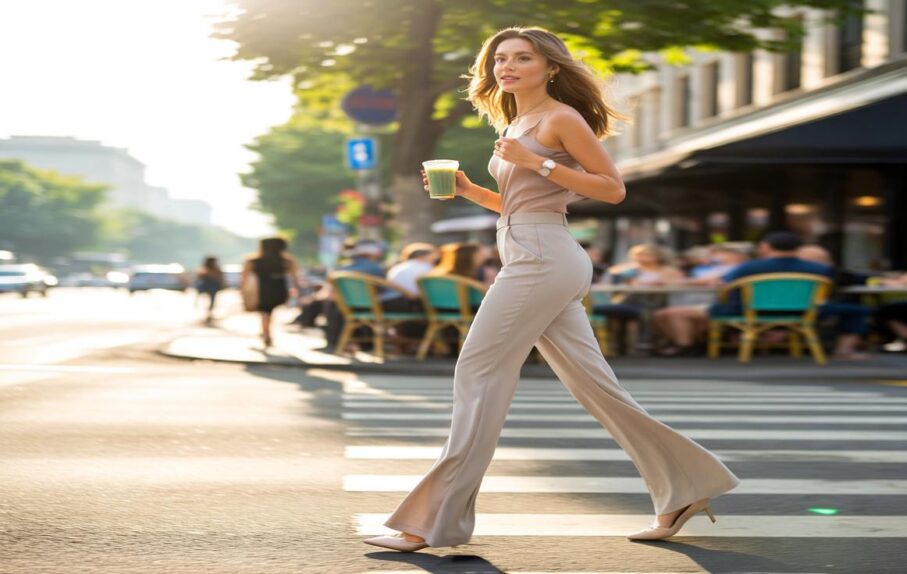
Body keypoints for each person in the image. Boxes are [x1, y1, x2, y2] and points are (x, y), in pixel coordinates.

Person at [364, 26, 739, 553]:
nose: (507, 67)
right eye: (499, 59)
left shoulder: (562, 118)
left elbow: (612, 188)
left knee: (479, 372)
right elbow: (522, 205)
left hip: (544, 259)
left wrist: (536, 162)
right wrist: (474, 190)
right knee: (596, 388)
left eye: (522, 58)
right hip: (533, 252)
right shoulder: (516, 120)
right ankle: (688, 488)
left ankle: (431, 522)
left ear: (551, 68)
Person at [651, 244, 751, 356]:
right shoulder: (717, 268)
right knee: (660, 314)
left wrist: (674, 281)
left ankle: (686, 346)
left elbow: (710, 281)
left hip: (726, 305)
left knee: (671, 313)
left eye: (718, 254)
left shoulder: (738, 268)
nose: (715, 257)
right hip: (718, 303)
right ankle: (682, 343)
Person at [241, 237, 301, 348]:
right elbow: (295, 278)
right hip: (279, 288)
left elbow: (244, 277)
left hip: (261, 289)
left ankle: (266, 334)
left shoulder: (253, 261)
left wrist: (242, 291)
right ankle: (266, 332)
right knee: (269, 312)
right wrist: (297, 289)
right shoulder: (287, 261)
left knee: (265, 312)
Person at [194, 256, 225, 323]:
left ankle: (208, 313)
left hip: (212, 286)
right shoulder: (205, 268)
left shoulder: (215, 269)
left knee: (211, 301)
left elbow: (220, 277)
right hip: (207, 285)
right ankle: (204, 312)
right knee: (207, 300)